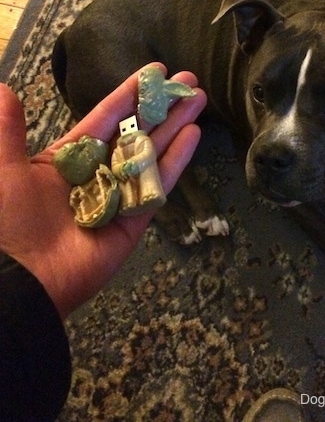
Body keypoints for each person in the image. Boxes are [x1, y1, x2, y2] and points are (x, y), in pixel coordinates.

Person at [0, 63, 206, 419]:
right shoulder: (115, 153)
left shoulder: (135, 142)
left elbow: (139, 158)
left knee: (148, 184)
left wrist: (18, 284)